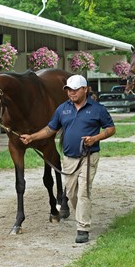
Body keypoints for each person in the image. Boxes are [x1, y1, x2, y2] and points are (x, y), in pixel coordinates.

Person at [20, 74, 116, 243]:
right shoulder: (62, 109)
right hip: (69, 158)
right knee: (71, 193)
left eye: (75, 90)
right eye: (68, 90)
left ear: (85, 89)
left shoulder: (97, 109)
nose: (71, 93)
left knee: (84, 191)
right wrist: (32, 137)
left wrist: (95, 138)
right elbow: (50, 129)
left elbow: (111, 129)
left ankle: (83, 228)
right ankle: (80, 213)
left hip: (88, 156)